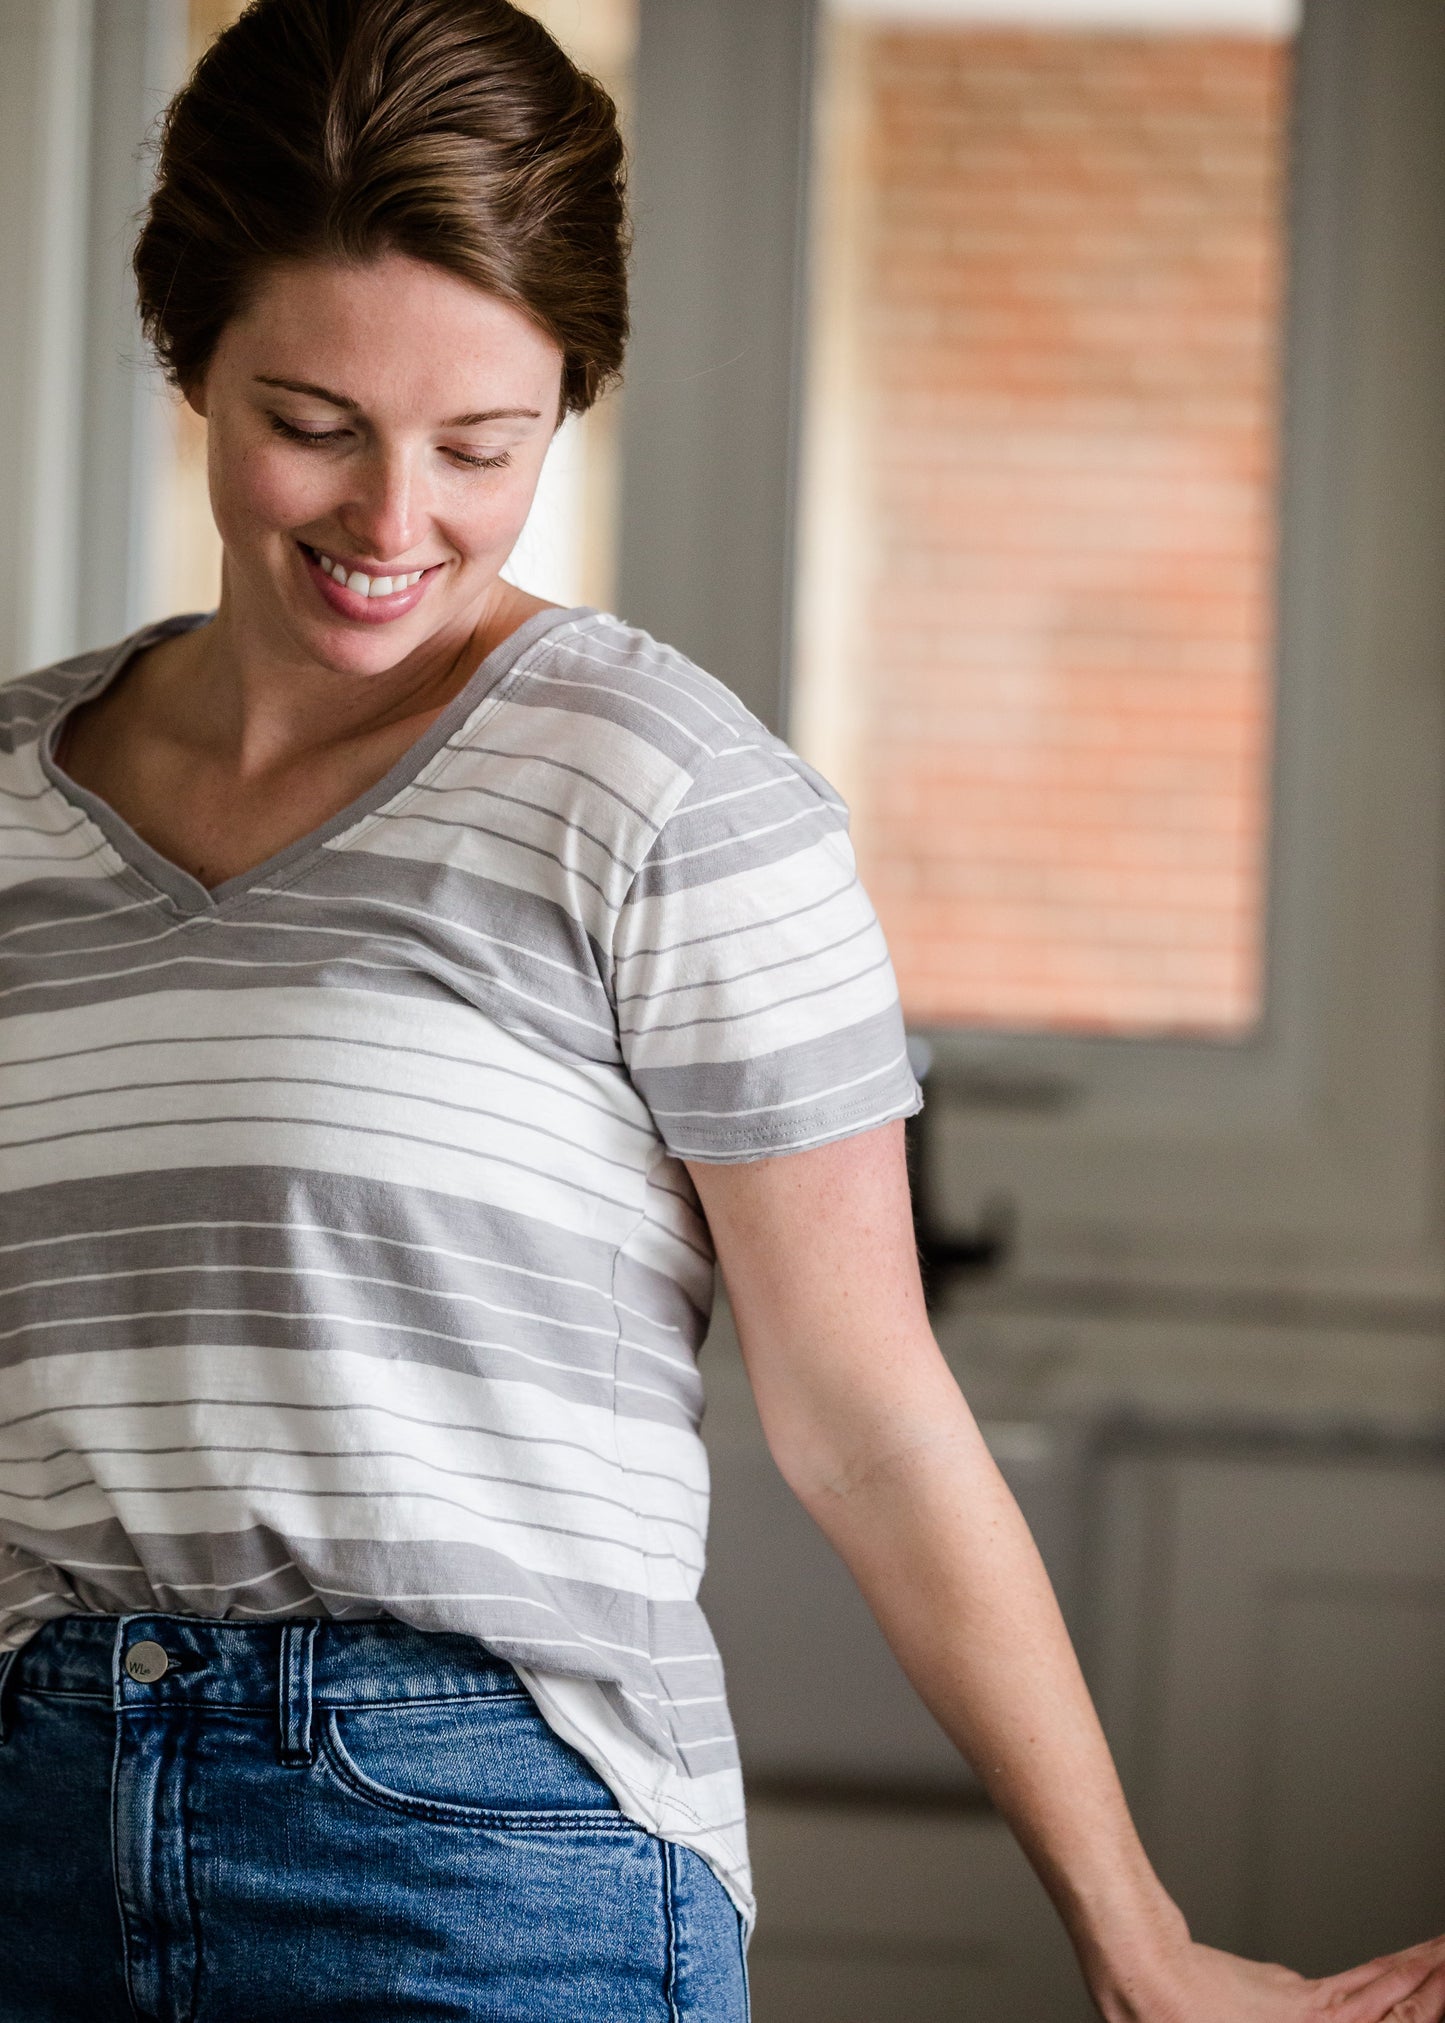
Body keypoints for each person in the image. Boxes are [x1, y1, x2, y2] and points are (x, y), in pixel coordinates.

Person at [0, 2, 1440, 2017]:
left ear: (567, 400)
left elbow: (867, 1420)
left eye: (483, 442)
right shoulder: (9, 802)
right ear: (188, 354)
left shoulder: (657, 788)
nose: (394, 516)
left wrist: (1134, 1934)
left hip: (477, 1858)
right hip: (34, 1834)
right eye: (312, 419)